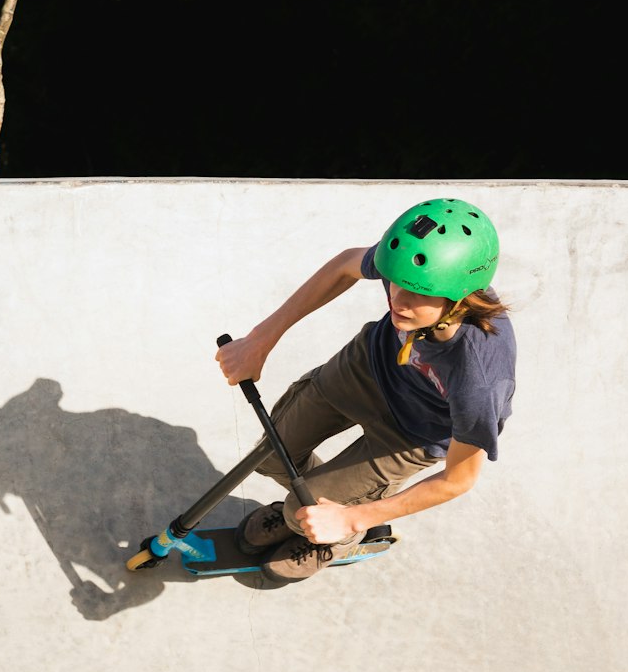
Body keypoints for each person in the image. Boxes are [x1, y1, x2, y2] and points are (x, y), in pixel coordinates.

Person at [215, 197, 516, 584]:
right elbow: (345, 265)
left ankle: (336, 536)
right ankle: (320, 506)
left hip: (413, 433)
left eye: (417, 293)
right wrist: (262, 339)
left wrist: (351, 517)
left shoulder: (481, 376)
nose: (398, 300)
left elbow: (459, 479)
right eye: (395, 284)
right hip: (367, 369)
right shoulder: (411, 265)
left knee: (299, 510)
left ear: (457, 298)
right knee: (271, 457)